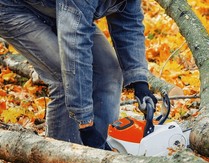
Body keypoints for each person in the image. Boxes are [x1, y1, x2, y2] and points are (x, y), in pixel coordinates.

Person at [0, 0, 157, 150]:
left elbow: (129, 26)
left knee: (109, 68)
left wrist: (139, 82)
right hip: (14, 8)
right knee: (64, 75)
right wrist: (85, 123)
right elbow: (75, 49)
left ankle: (102, 155)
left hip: (63, 11)